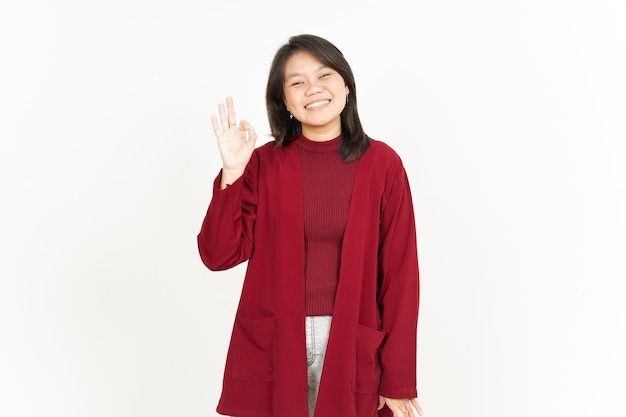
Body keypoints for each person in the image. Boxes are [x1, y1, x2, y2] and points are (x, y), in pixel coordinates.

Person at [197, 34, 423, 417]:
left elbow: (401, 277)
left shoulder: (383, 165)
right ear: (283, 100)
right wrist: (232, 175)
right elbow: (218, 255)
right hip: (275, 344)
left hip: (352, 341)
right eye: (297, 82)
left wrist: (397, 378)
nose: (312, 89)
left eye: (324, 76)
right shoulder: (263, 164)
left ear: (346, 86)